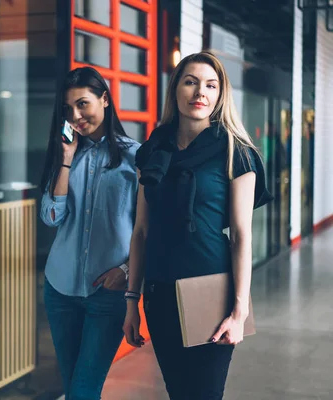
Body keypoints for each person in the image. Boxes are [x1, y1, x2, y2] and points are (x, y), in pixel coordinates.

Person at [122, 51, 272, 400]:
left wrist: (239, 311)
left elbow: (241, 235)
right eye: (190, 82)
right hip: (159, 292)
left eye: (210, 85)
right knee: (178, 393)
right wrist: (132, 301)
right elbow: (141, 231)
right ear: (175, 90)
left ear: (220, 95)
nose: (199, 92)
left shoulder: (237, 151)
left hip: (211, 290)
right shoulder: (153, 151)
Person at [39, 66, 141, 399]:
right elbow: (51, 216)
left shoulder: (136, 158)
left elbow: (149, 230)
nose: (76, 116)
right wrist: (66, 160)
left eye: (83, 104)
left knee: (83, 389)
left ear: (105, 100)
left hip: (107, 295)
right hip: (60, 288)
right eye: (68, 109)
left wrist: (126, 272)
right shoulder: (64, 156)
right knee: (73, 387)